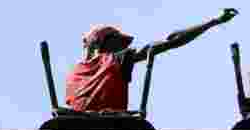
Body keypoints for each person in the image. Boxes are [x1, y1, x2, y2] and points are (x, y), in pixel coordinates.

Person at [65, 9, 238, 112]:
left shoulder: (74, 73)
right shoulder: (115, 60)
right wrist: (212, 22)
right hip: (112, 122)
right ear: (103, 42)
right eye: (119, 42)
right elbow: (172, 41)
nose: (123, 47)